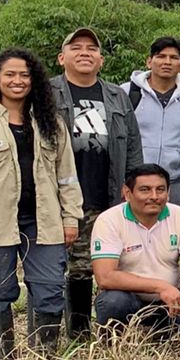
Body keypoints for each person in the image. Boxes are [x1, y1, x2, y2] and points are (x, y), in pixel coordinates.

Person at [0, 49, 81, 360]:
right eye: (10, 74)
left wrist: (71, 218)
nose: (17, 81)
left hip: (44, 222)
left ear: (34, 80)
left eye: (25, 75)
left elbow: (67, 178)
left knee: (49, 290)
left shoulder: (51, 124)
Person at [49, 26, 143, 341]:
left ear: (101, 60)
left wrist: (134, 188)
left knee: (111, 263)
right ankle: (77, 333)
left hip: (110, 195)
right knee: (74, 267)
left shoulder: (117, 95)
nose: (85, 52)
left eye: (92, 48)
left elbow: (132, 146)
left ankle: (113, 329)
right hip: (65, 196)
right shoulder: (48, 93)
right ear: (62, 58)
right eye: (76, 47)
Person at [91, 164, 180, 345]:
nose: (154, 197)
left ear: (169, 192)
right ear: (127, 192)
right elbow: (105, 277)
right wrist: (159, 287)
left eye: (160, 190)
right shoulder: (109, 220)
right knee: (113, 303)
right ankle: (114, 343)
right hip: (128, 297)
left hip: (169, 301)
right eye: (145, 190)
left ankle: (161, 338)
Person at [125, 36, 180, 207]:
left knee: (171, 232)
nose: (167, 62)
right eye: (161, 56)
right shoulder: (128, 93)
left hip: (173, 183)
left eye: (174, 58)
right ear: (149, 61)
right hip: (134, 181)